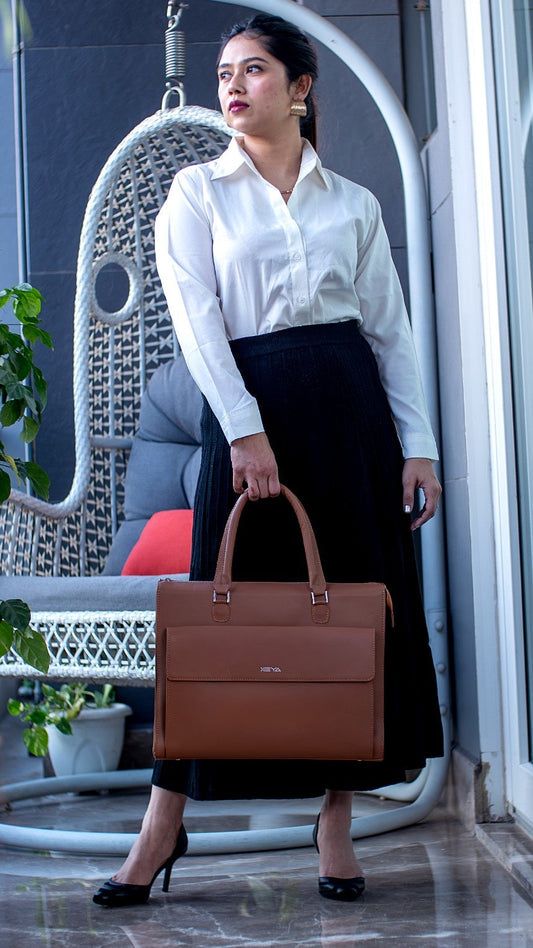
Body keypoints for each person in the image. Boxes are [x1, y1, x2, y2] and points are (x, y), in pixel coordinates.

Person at [93, 13, 443, 908]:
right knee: (229, 622)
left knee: (350, 617)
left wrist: (419, 447)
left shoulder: (353, 203)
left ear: (300, 87)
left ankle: (335, 821)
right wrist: (245, 433)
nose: (233, 86)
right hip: (248, 407)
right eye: (222, 74)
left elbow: (390, 336)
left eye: (253, 70)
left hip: (348, 413)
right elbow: (197, 325)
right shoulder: (195, 194)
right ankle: (162, 825)